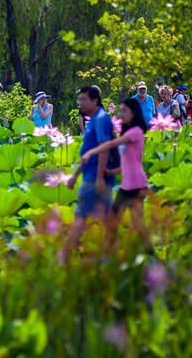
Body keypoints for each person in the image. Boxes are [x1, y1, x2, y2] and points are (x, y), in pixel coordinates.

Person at [80, 98, 151, 252]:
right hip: (128, 185)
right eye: (120, 110)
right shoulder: (129, 131)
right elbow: (131, 161)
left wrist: (91, 152)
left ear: (134, 112)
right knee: (120, 221)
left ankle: (149, 254)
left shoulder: (136, 132)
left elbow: (113, 144)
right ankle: (110, 253)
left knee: (133, 222)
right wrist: (113, 171)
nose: (121, 114)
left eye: (124, 110)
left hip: (136, 186)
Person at [59, 86, 116, 264]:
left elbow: (104, 149)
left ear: (94, 100)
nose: (80, 103)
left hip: (96, 180)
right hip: (91, 177)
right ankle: (109, 258)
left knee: (82, 217)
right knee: (106, 219)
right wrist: (75, 176)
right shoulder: (92, 120)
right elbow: (87, 153)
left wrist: (99, 178)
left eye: (83, 100)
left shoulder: (100, 119)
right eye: (79, 100)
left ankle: (63, 258)